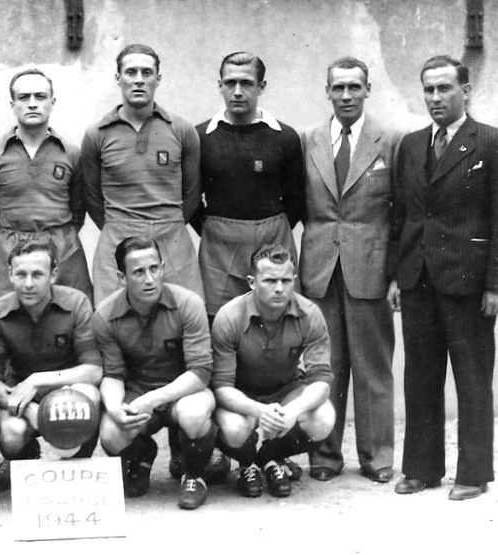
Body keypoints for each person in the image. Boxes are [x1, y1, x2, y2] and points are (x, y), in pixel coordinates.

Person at [388, 55, 497, 501]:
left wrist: (494, 284)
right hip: (418, 278)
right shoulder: (411, 145)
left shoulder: (489, 142)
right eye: (429, 89)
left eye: (444, 88)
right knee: (420, 377)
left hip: (468, 282)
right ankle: (421, 469)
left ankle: (474, 473)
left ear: (465, 91)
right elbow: (401, 216)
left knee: (472, 379)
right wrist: (396, 276)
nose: (435, 97)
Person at [195, 51, 306, 482]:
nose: (238, 90)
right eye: (230, 82)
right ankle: (223, 449)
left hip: (272, 240)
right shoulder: (201, 136)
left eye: (247, 82)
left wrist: (267, 236)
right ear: (219, 85)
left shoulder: (284, 137)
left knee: (275, 336)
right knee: (221, 338)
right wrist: (221, 232)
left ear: (262, 86)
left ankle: (274, 452)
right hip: (219, 245)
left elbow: (296, 200)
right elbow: (192, 200)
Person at [299, 57, 398, 483]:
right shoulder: (308, 140)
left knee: (373, 367)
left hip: (370, 268)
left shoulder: (390, 140)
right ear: (327, 91)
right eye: (337, 88)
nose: (345, 96)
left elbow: (402, 211)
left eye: (354, 87)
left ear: (367, 90)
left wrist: (395, 274)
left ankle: (377, 456)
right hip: (320, 268)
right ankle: (324, 455)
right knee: (326, 364)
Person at [94, 237, 217, 510]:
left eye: (154, 268)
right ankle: (142, 456)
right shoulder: (105, 315)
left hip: (184, 390)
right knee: (111, 434)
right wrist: (114, 408)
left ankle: (194, 475)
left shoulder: (188, 303)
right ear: (121, 277)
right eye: (138, 272)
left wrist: (152, 400)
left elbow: (200, 372)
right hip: (138, 391)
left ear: (163, 267)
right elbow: (113, 374)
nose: (149, 279)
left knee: (194, 415)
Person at [80, 44, 203, 305]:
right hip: (118, 236)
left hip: (171, 236)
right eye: (131, 72)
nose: (139, 80)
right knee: (113, 315)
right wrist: (120, 226)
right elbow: (91, 196)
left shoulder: (182, 130)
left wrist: (168, 223)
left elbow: (193, 193)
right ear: (118, 78)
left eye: (147, 73)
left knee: (184, 310)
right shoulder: (96, 134)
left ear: (158, 79)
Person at [211, 244, 335, 499]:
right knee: (234, 428)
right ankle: (247, 463)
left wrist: (292, 412)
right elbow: (222, 386)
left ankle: (270, 458)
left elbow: (321, 380)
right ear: (251, 282)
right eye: (269, 280)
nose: (279, 288)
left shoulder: (309, 314)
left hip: (285, 390)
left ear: (294, 280)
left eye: (286, 280)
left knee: (322, 418)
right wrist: (259, 411)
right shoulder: (230, 316)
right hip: (241, 394)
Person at [0, 238, 103, 489]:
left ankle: (77, 465)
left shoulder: (76, 303)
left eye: (37, 274)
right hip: (21, 395)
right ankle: (26, 461)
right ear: (10, 274)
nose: (28, 283)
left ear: (53, 274)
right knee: (11, 433)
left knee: (89, 395)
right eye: (21, 274)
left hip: (65, 389)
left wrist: (37, 381)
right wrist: (29, 409)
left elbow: (93, 370)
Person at [0, 68, 92, 303]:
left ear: (52, 102)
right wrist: (8, 245)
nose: (32, 104)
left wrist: (57, 237)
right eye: (24, 97)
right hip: (9, 249)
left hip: (62, 249)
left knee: (69, 310)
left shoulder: (71, 154)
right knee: (5, 315)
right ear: (13, 104)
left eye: (40, 96)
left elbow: (78, 210)